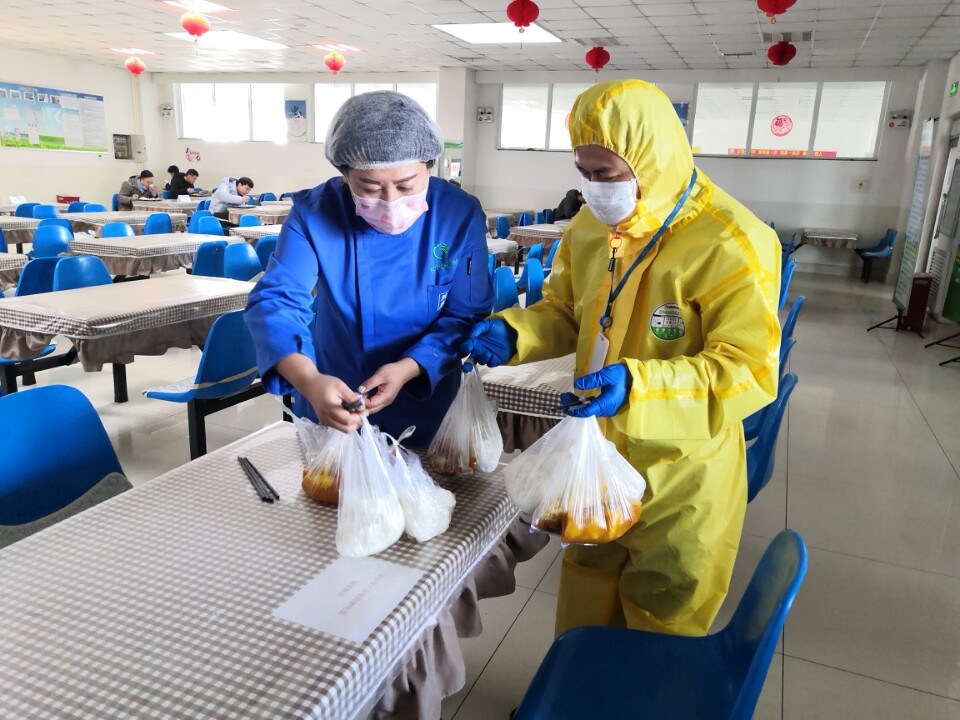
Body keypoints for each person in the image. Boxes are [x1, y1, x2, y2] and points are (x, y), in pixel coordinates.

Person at [462, 79, 781, 637]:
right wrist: (516, 333)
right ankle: (576, 691)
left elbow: (747, 367)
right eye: (583, 173)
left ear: (651, 160)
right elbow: (565, 309)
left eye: (605, 174)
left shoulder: (732, 242)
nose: (593, 189)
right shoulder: (592, 227)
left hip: (681, 468)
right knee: (586, 582)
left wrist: (639, 387)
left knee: (664, 608)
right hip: (593, 450)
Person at [245, 91, 492, 447]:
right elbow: (277, 301)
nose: (391, 202)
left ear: (429, 166)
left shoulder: (458, 213)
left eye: (407, 185)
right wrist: (308, 380)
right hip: (335, 395)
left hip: (426, 394)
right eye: (370, 187)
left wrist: (408, 368)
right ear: (345, 175)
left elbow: (466, 313)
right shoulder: (314, 214)